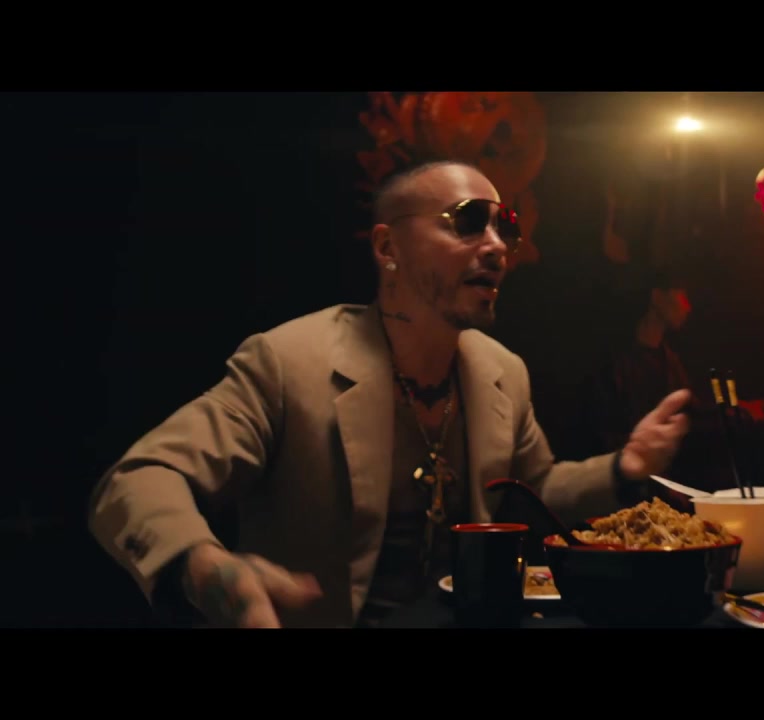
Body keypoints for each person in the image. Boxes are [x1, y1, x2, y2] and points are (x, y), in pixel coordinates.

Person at [87, 160, 692, 629]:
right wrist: (207, 568)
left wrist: (624, 466)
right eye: (467, 221)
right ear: (387, 249)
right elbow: (138, 480)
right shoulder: (288, 362)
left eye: (505, 227)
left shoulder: (502, 371)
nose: (497, 246)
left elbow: (533, 487)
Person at [579, 265, 694, 458]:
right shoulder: (614, 363)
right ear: (657, 296)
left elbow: (692, 413)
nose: (688, 307)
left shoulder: (671, 362)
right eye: (682, 297)